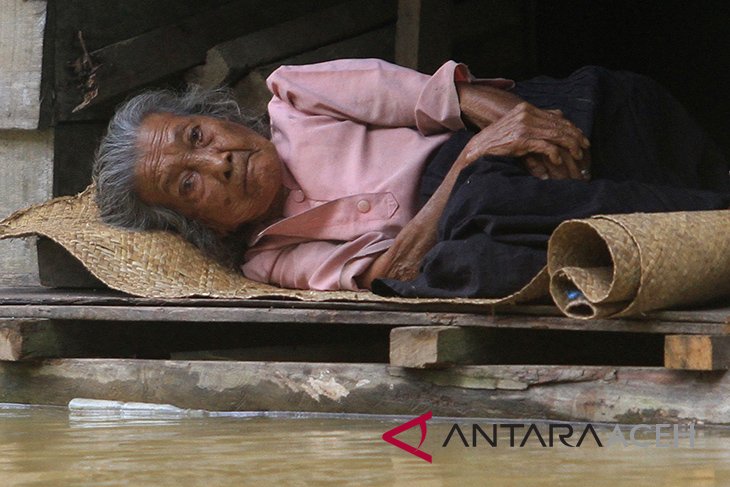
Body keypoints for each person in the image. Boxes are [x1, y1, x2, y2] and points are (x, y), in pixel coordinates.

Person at [93, 59, 730, 298]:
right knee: (467, 250)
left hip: (506, 145)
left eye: (196, 138)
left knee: (604, 101)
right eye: (187, 184)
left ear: (213, 118)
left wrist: (520, 125)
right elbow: (397, 266)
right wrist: (472, 160)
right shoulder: (270, 261)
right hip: (476, 197)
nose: (217, 161)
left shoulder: (295, 97)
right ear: (197, 224)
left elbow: (435, 96)